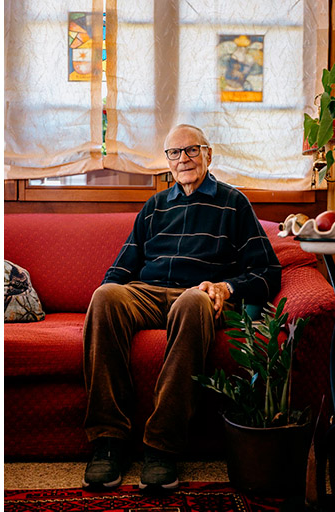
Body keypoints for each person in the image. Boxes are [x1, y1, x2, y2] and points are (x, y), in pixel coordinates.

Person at [81, 124, 281, 491]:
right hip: (148, 292)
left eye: (192, 150)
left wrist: (226, 287)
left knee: (192, 301)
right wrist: (102, 296)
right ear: (167, 161)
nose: (183, 159)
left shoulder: (233, 203)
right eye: (174, 152)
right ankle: (109, 442)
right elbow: (121, 268)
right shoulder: (155, 206)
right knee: (105, 297)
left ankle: (162, 447)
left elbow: (268, 272)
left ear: (208, 154)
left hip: (197, 294)